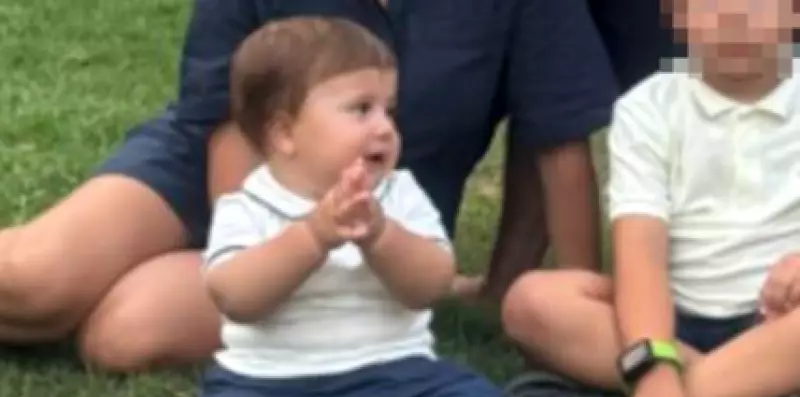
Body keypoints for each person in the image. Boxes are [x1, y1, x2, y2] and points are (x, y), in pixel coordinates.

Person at [0, 0, 617, 372]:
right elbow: (225, 122)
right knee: (28, 279)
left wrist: (553, 303)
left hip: (360, 217)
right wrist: (246, 248)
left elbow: (555, 138)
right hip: (210, 175)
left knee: (124, 333)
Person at [151, 17, 511, 397]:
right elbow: (236, 298)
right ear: (285, 134)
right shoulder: (247, 206)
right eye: (361, 109)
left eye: (389, 110)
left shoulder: (398, 193)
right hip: (265, 395)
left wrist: (382, 236)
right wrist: (313, 236)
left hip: (401, 384)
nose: (384, 127)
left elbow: (430, 285)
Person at [502, 0, 800, 397]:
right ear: (677, 15)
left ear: (794, 12)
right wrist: (654, 363)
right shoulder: (648, 107)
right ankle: (754, 394)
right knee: (532, 302)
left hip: (780, 319)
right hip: (671, 318)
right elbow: (640, 254)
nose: (735, 17)